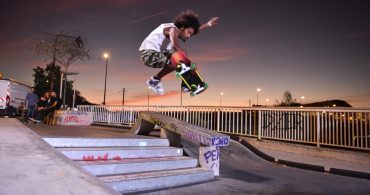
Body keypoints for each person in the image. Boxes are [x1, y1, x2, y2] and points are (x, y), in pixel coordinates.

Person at [139, 10, 219, 95]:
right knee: (179, 57)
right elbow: (175, 46)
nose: (189, 36)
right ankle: (185, 83)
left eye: (190, 34)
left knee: (178, 59)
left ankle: (155, 80)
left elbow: (194, 30)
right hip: (148, 54)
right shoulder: (172, 29)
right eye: (188, 33)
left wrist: (208, 24)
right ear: (182, 27)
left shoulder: (179, 29)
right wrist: (188, 65)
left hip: (157, 53)